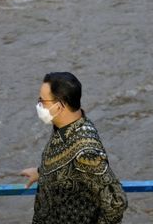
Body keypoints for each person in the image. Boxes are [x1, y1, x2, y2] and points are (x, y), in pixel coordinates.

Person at [21, 72, 127, 224]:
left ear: (60, 106)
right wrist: (41, 173)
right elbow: (68, 168)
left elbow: (116, 202)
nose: (39, 105)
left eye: (42, 101)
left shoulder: (86, 152)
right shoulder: (65, 125)